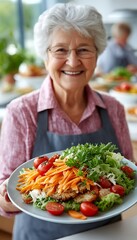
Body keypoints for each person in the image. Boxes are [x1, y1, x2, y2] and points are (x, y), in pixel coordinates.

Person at [0, 3, 133, 240]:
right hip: (41, 235)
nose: (73, 62)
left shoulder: (114, 109)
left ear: (98, 53)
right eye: (60, 50)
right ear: (45, 55)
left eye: (83, 50)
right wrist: (8, 198)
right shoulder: (21, 112)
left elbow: (128, 177)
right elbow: (6, 194)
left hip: (108, 234)